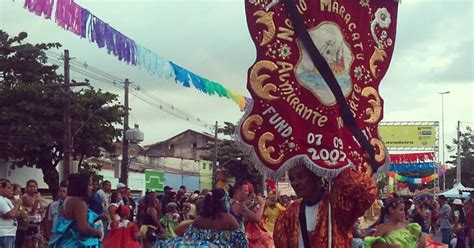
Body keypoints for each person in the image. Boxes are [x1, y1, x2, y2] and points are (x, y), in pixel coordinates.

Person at [273, 164, 376, 247]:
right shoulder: (289, 214)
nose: (295, 183)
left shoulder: (338, 205)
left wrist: (338, 168)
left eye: (301, 176)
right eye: (292, 179)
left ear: (316, 175)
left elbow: (366, 191)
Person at [157, 188, 248, 247]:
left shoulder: (200, 219)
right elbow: (242, 243)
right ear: (224, 202)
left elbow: (186, 235)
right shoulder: (229, 219)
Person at [49, 173, 102, 247]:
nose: (92, 188)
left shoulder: (69, 200)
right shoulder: (78, 203)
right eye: (90, 185)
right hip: (74, 244)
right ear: (82, 186)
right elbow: (83, 229)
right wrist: (98, 233)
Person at [21, 179, 44, 248]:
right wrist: (37, 201)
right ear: (27, 187)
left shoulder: (37, 196)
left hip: (37, 223)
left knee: (36, 241)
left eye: (34, 186)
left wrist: (39, 208)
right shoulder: (25, 197)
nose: (32, 188)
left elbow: (41, 209)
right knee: (28, 242)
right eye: (30, 186)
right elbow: (33, 211)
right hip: (29, 224)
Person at [0, 179, 22, 248]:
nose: (11, 190)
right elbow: (11, 214)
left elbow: (17, 214)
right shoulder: (0, 200)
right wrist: (17, 205)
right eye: (8, 188)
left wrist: (19, 207)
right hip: (4, 233)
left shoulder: (6, 200)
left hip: (10, 233)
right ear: (1, 188)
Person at [12, 183, 28, 248]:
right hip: (16, 228)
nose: (20, 193)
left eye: (20, 191)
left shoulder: (20, 201)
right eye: (18, 191)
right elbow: (17, 213)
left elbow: (24, 211)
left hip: (23, 227)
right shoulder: (12, 202)